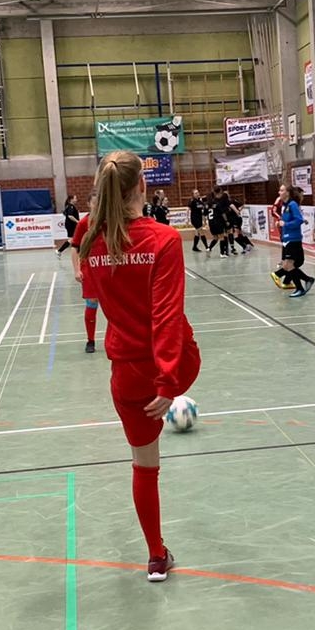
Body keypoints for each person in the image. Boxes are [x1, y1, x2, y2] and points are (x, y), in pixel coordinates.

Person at [77, 151, 200, 582]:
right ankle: (157, 554)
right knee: (179, 334)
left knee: (144, 466)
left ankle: (155, 556)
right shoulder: (163, 239)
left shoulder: (91, 240)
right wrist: (168, 381)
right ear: (142, 187)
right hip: (172, 365)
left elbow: (93, 287)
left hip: (126, 374)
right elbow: (166, 315)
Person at [69, 196, 100, 354]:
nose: (97, 205)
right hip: (89, 267)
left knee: (114, 303)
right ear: (88, 204)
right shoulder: (83, 223)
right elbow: (74, 247)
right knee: (92, 302)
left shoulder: (109, 220)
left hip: (106, 266)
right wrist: (76, 270)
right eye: (94, 202)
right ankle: (90, 340)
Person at [280, 185, 315, 296]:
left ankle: (299, 288)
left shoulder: (292, 205)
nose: (279, 192)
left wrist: (286, 224)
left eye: (281, 190)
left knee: (289, 264)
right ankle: (307, 280)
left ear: (288, 193)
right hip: (287, 238)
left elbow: (298, 220)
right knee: (288, 265)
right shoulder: (286, 206)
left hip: (293, 238)